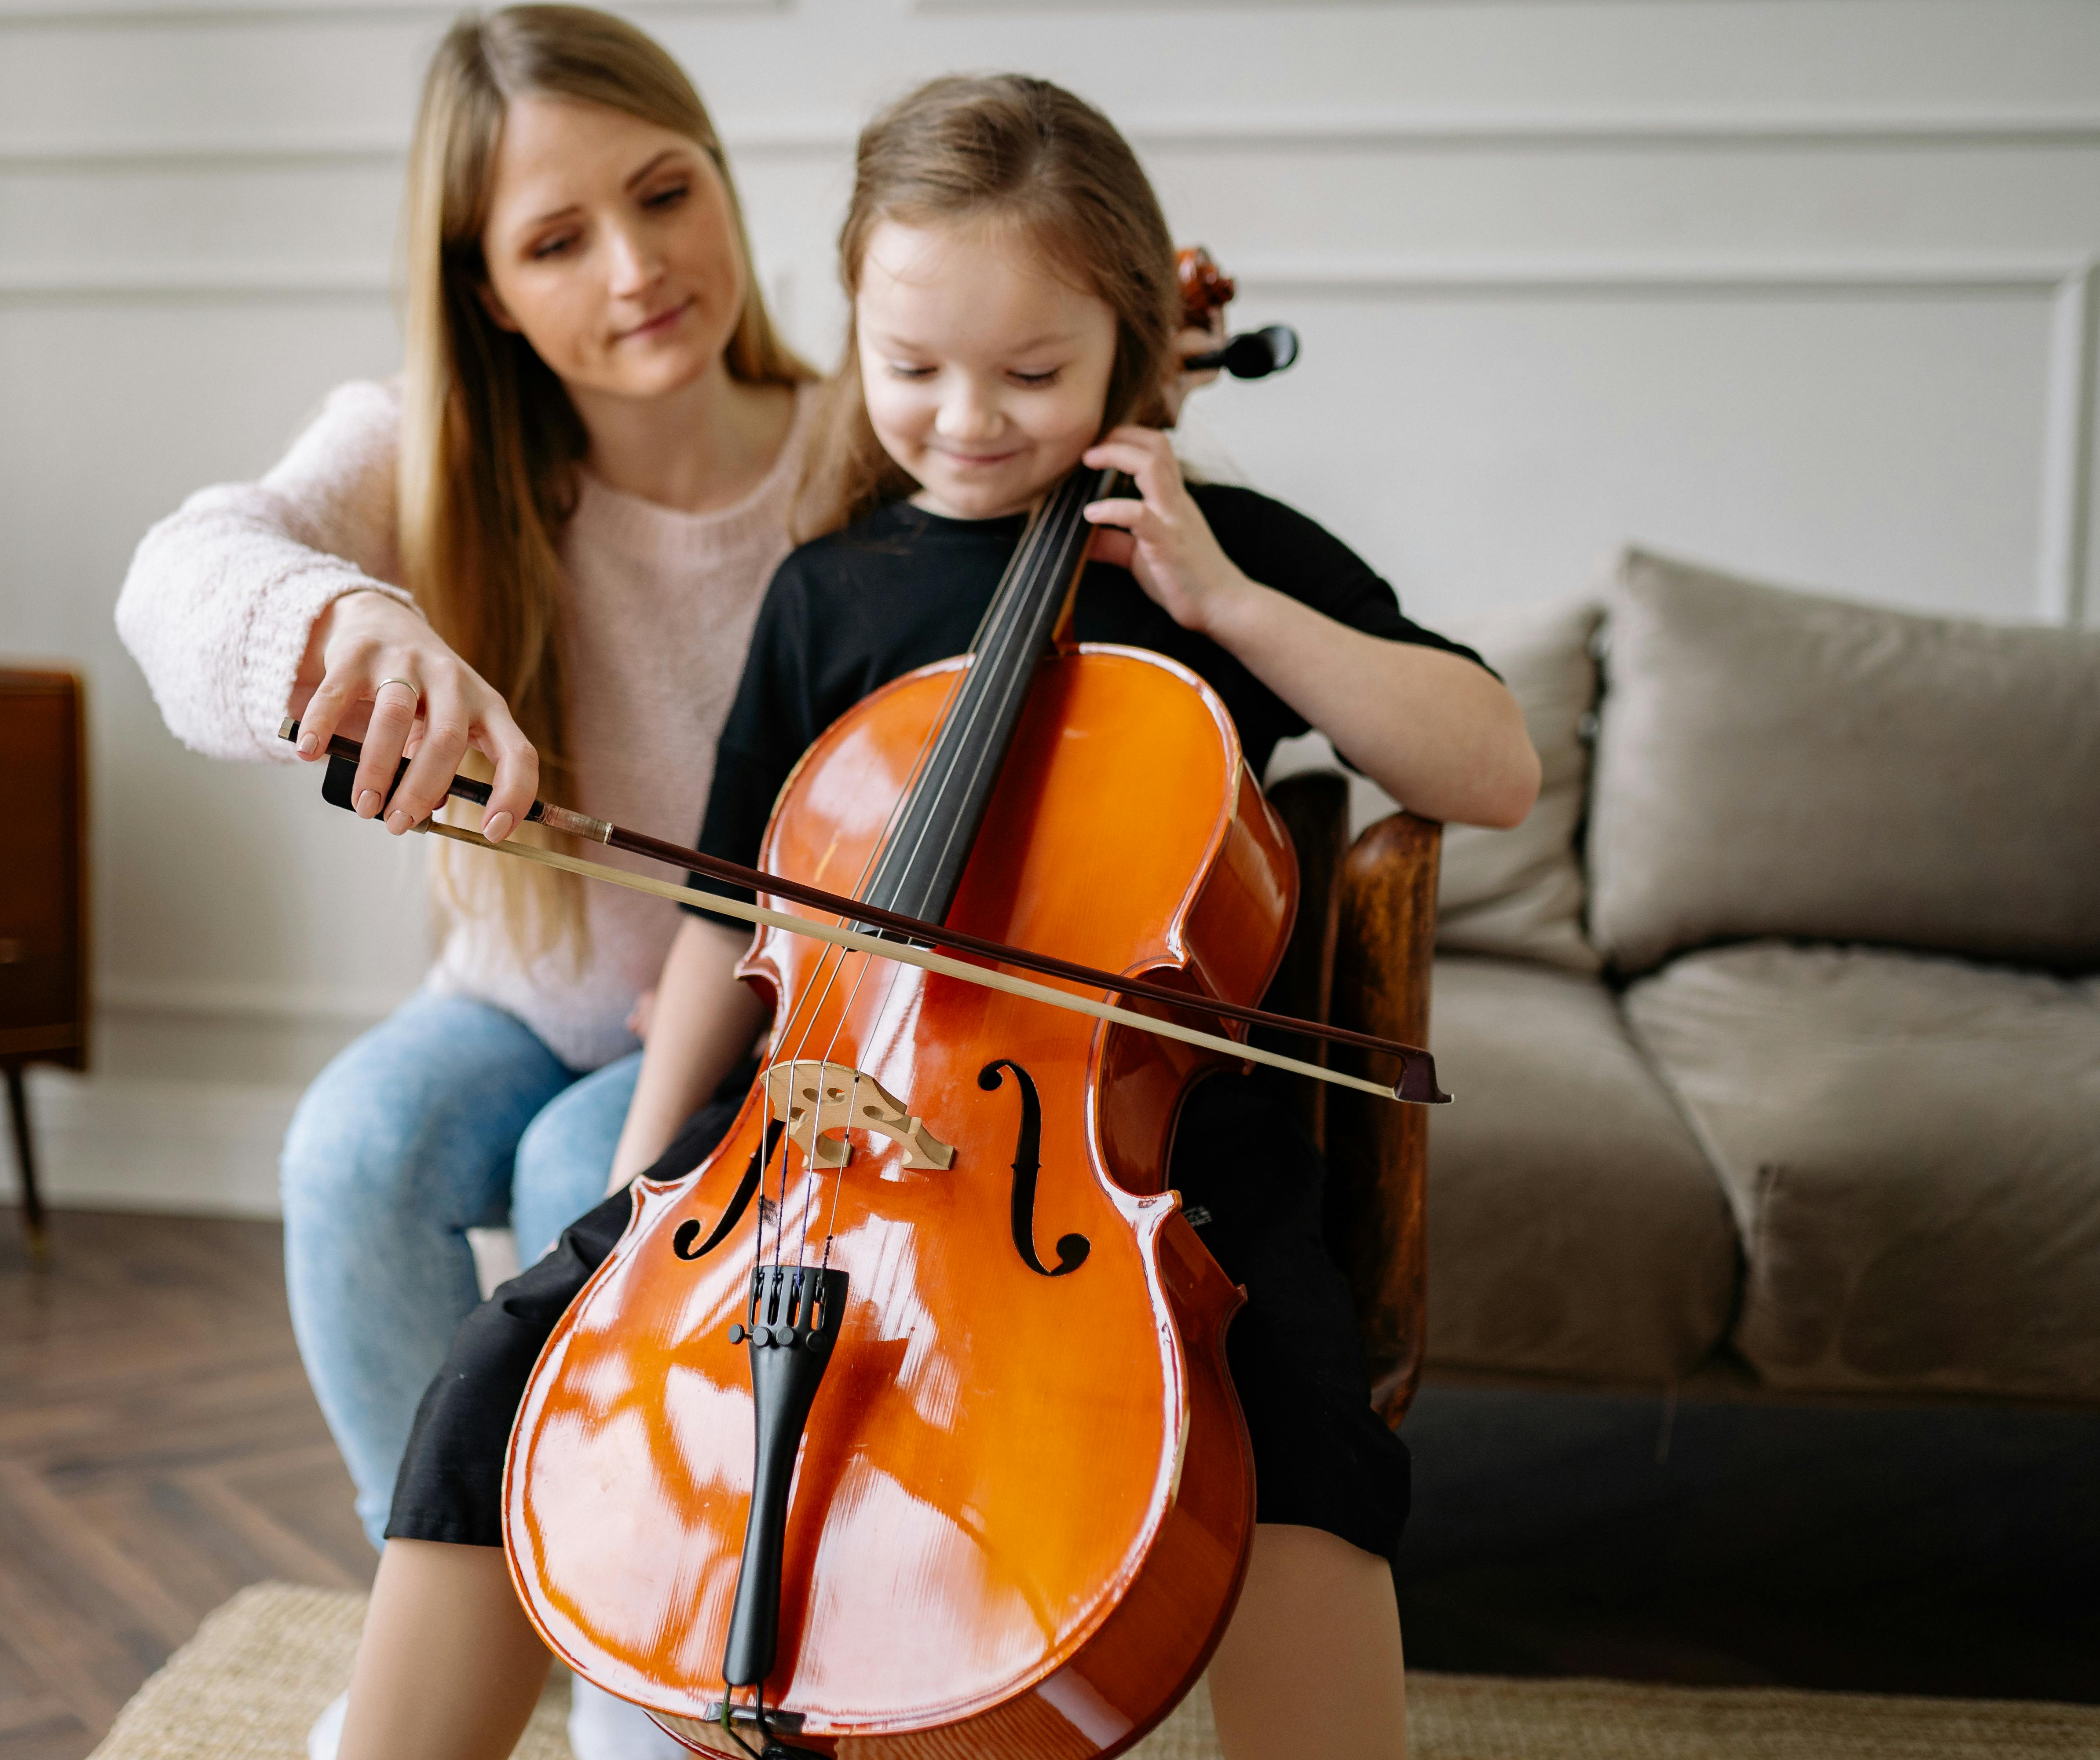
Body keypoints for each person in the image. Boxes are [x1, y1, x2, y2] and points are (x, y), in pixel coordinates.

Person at [344, 72, 1538, 1760]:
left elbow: (1493, 768)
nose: (968, 418)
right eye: (910, 369)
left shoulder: (1213, 556)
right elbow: (721, 920)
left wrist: (1234, 605)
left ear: (1132, 345)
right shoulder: (829, 591)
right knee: (500, 1376)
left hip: (1151, 1147)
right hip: (809, 1125)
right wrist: (642, 1187)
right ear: (853, 323)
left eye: (1032, 374)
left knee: (1299, 1422)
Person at [115, 9, 816, 1756]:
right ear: (490, 287)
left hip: (756, 1024)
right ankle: (455, 1615)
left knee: (592, 1168)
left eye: (666, 195)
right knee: (352, 1147)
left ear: (724, 182)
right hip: (519, 997)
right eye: (558, 240)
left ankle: (633, 1646)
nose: (639, 267)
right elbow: (179, 579)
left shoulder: (859, 453)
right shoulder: (424, 445)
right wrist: (344, 614)